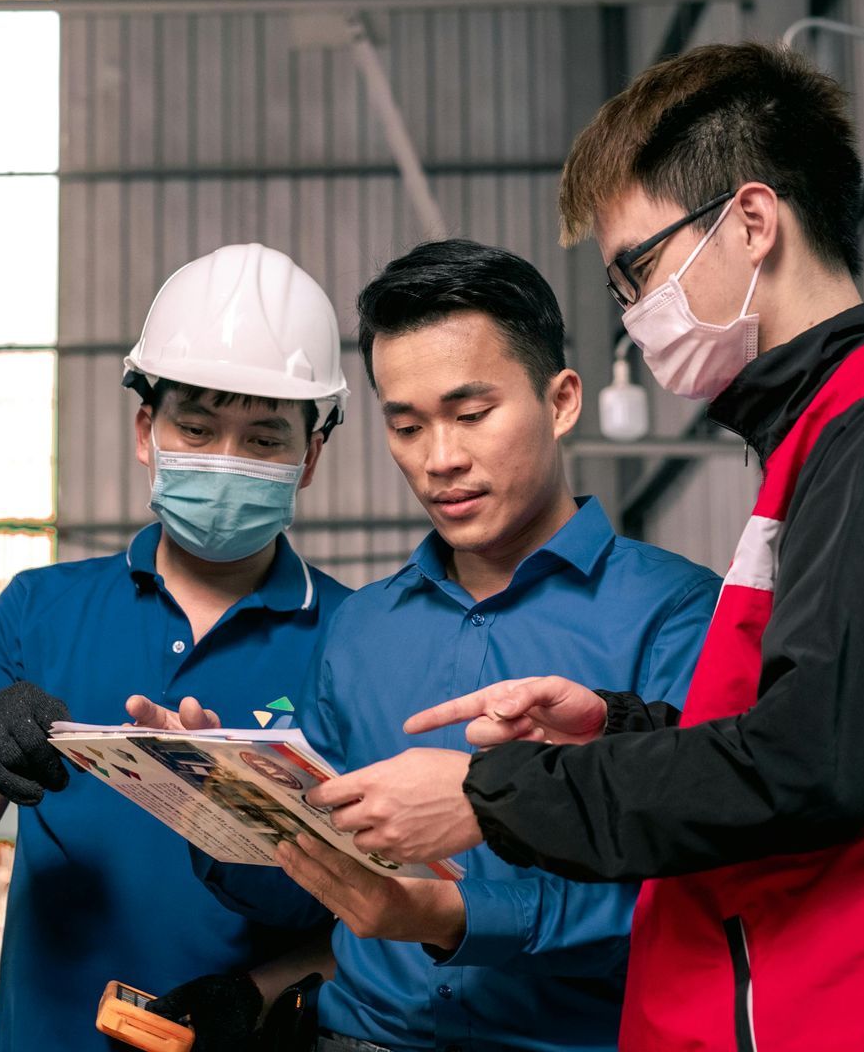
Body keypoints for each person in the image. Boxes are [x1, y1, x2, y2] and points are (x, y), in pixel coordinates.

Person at [319, 43, 864, 1051]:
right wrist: (620, 723)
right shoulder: (823, 437)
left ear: (752, 221)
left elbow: (818, 761)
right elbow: (825, 722)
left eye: (640, 270)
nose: (634, 319)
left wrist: (484, 794)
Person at [141, 241, 720, 1052]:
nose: (439, 459)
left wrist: (454, 917)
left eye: (472, 415)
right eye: (406, 426)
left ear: (560, 401)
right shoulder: (363, 628)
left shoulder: (675, 615)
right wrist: (226, 813)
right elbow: (311, 898)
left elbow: (699, 897)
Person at [0, 244, 355, 1052]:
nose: (223, 461)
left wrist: (257, 993)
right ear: (147, 429)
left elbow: (397, 916)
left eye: (263, 440)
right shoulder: (39, 613)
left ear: (309, 456)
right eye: (198, 428)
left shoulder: (361, 637)